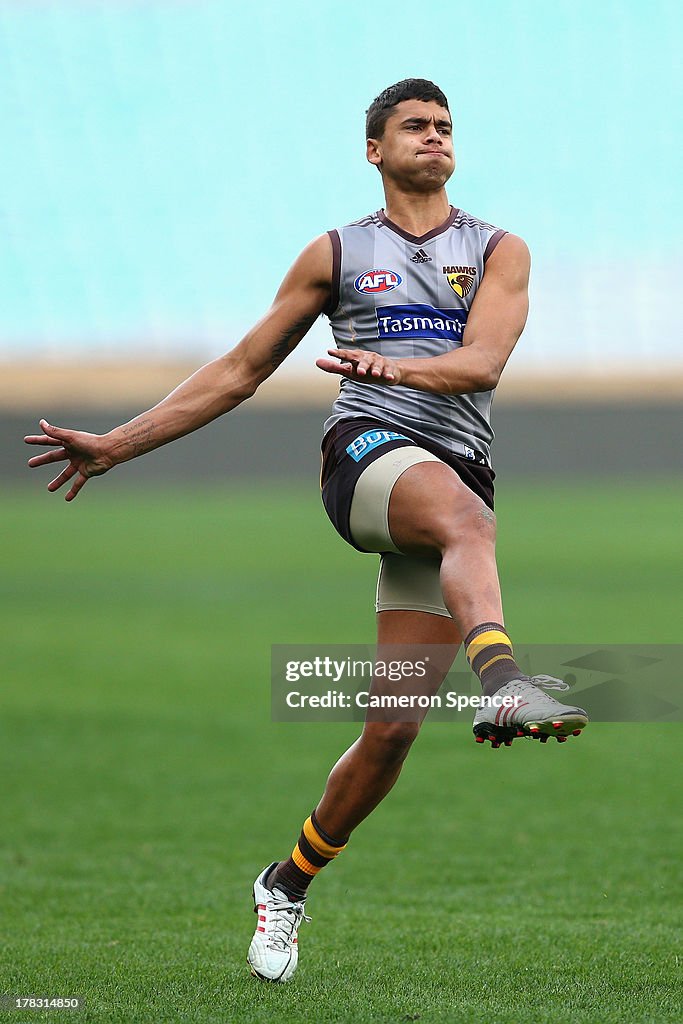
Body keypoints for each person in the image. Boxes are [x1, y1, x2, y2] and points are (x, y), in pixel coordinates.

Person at [25, 78, 588, 984]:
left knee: (394, 728)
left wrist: (403, 371)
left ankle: (284, 884)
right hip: (363, 456)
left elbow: (485, 359)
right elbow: (242, 368)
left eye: (445, 127)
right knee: (462, 518)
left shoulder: (498, 250)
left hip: (452, 474)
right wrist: (116, 446)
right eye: (414, 126)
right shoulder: (336, 252)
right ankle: (509, 682)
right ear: (374, 149)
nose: (434, 137)